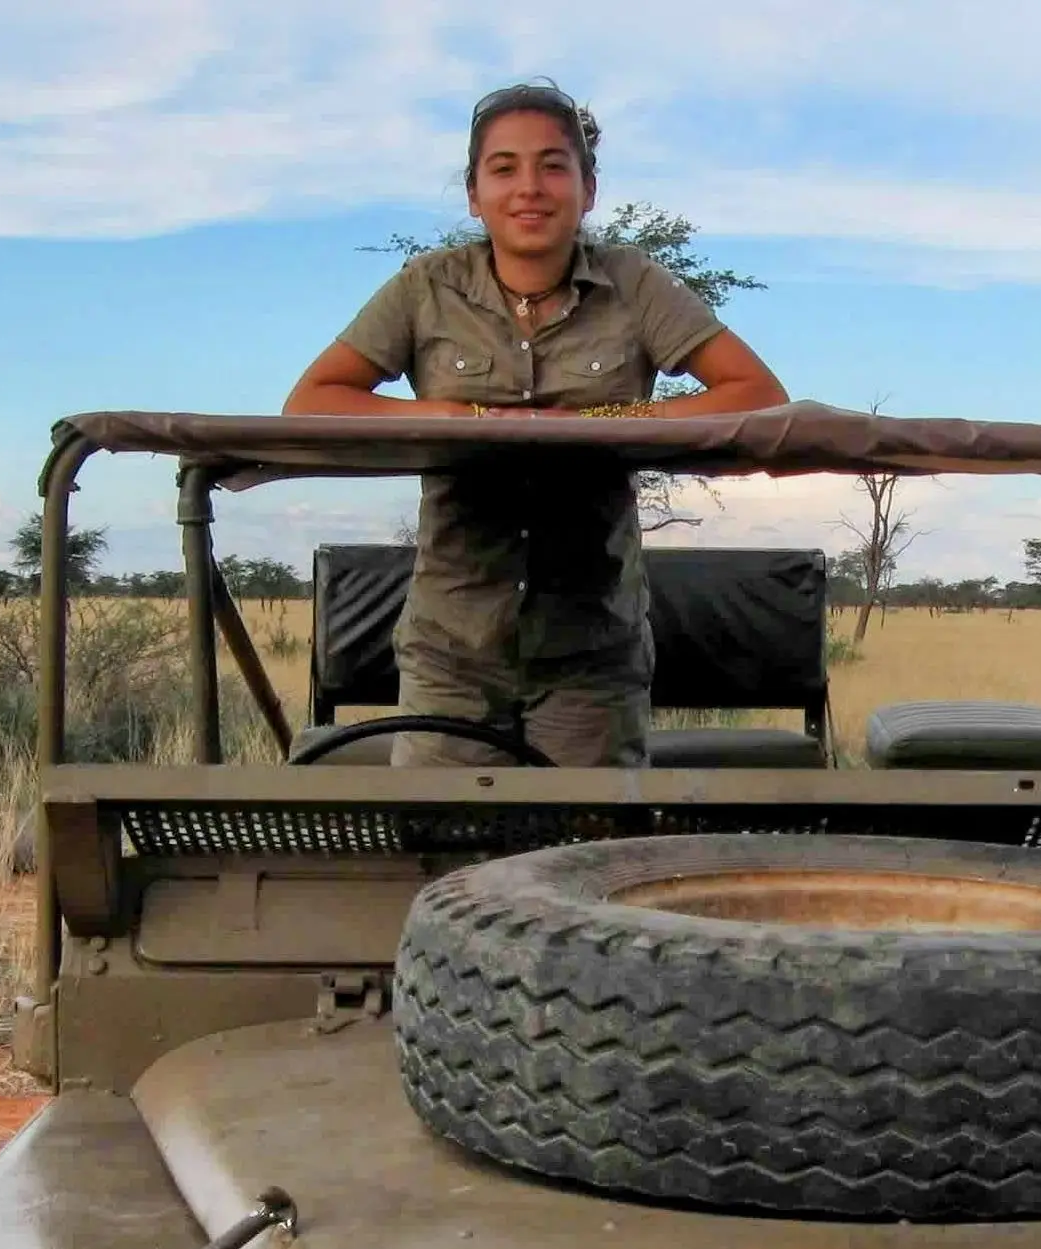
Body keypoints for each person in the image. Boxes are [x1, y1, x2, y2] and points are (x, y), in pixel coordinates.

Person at [284, 81, 788, 766]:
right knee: (442, 831)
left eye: (553, 166)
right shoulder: (425, 286)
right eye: (504, 168)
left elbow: (759, 395)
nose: (530, 188)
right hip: (450, 649)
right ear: (474, 194)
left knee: (584, 834)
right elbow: (312, 401)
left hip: (593, 652)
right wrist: (457, 417)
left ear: (588, 188)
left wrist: (611, 420)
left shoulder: (636, 282)